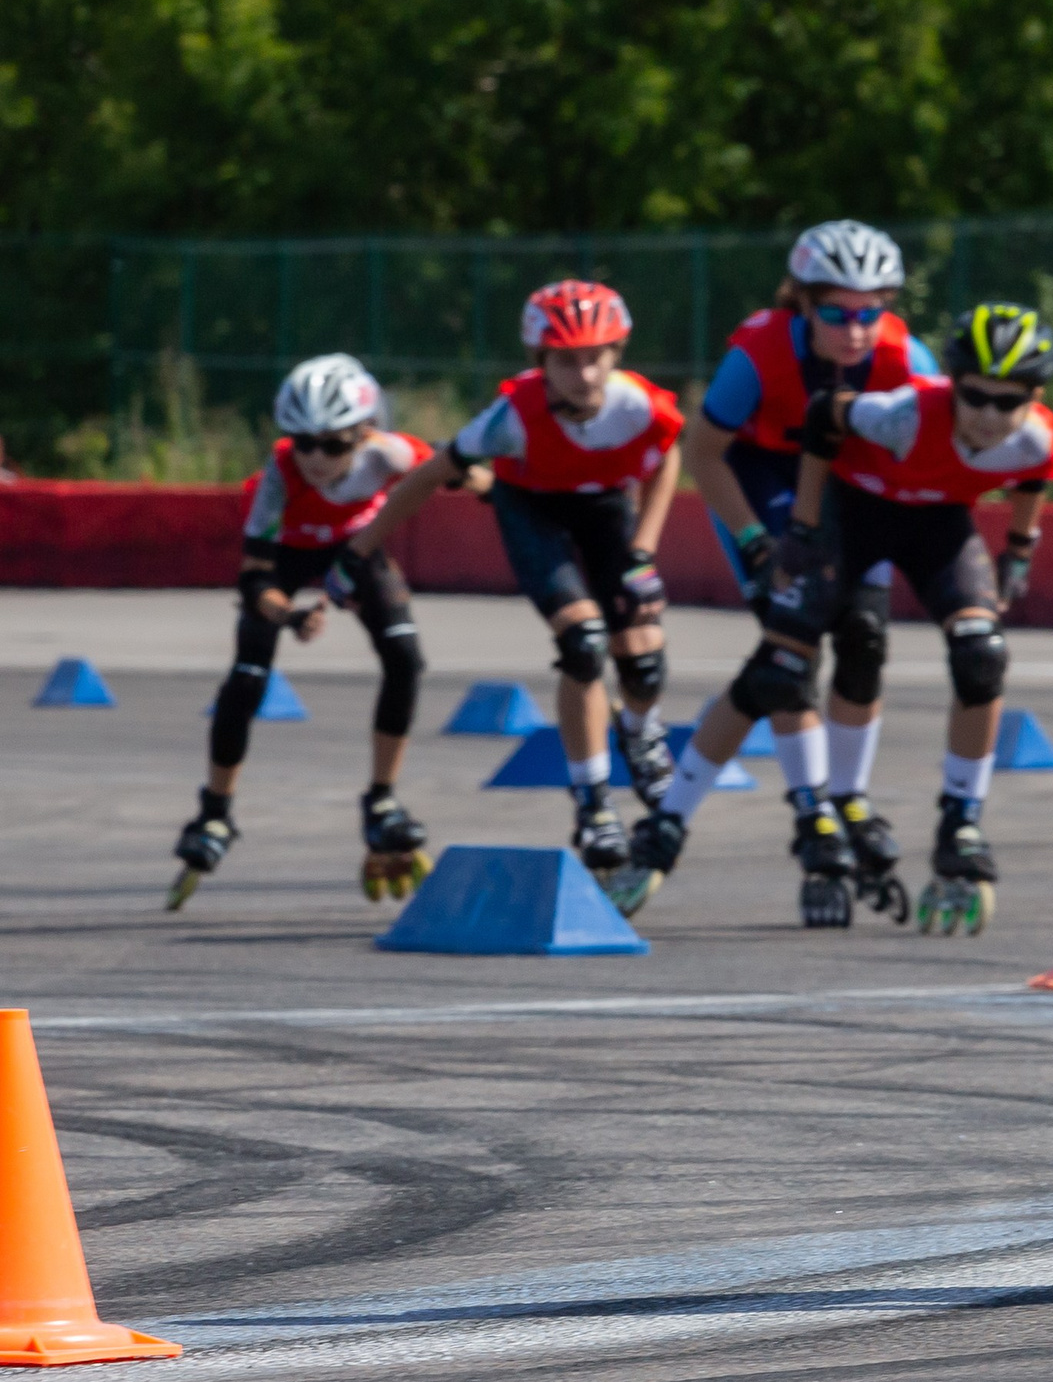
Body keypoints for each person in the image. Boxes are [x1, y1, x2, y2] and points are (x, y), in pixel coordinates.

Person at [631, 301, 1053, 936]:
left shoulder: (1040, 435)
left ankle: (960, 823)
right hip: (854, 513)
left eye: (1008, 402)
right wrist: (805, 526)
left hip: (937, 526)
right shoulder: (904, 413)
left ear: (1036, 396)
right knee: (781, 668)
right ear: (951, 382)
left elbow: (1033, 478)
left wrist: (1020, 551)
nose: (987, 416)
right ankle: (665, 825)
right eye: (973, 395)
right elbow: (821, 420)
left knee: (982, 655)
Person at [350, 281, 683, 911]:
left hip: (608, 506)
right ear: (539, 362)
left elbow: (669, 457)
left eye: (594, 357)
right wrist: (360, 550)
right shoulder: (510, 421)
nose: (582, 374)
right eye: (565, 360)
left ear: (616, 354)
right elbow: (426, 477)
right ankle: (592, 802)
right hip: (534, 512)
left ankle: (640, 731)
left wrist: (643, 551)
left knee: (643, 661)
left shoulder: (640, 406)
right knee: (584, 646)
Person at [667, 221, 937, 925]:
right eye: (837, 313)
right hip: (764, 482)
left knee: (866, 638)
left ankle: (849, 795)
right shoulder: (758, 350)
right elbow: (704, 454)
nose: (855, 330)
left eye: (870, 311)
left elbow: (943, 437)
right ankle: (811, 807)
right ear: (803, 303)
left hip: (851, 485)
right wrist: (755, 541)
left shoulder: (905, 354)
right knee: (793, 649)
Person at [169, 354, 438, 910]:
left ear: (364, 434)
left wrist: (486, 480)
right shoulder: (276, 477)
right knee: (246, 678)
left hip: (356, 548)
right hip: (287, 555)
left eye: (334, 444)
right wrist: (287, 616)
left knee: (406, 660)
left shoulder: (389, 454)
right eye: (303, 442)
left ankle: (381, 802)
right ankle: (215, 813)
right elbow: (254, 581)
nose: (316, 458)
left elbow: (453, 468)